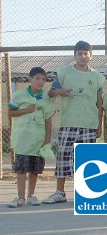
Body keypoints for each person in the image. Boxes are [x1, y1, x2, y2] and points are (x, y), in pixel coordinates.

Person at [43, 41, 106, 204]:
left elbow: (100, 103)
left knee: (86, 160)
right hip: (68, 122)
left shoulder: (97, 77)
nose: (83, 57)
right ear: (75, 55)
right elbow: (50, 93)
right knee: (63, 156)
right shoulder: (63, 73)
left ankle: (85, 192)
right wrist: (60, 92)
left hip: (89, 124)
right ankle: (60, 192)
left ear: (91, 56)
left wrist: (99, 124)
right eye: (79, 53)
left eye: (86, 53)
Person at [7, 67, 55, 208]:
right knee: (21, 170)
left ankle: (31, 195)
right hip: (22, 140)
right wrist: (25, 110)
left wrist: (47, 140)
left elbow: (48, 120)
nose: (40, 82)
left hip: (38, 141)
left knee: (34, 170)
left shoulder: (46, 99)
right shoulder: (19, 95)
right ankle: (20, 197)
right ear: (30, 79)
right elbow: (10, 112)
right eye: (37, 78)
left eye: (43, 79)